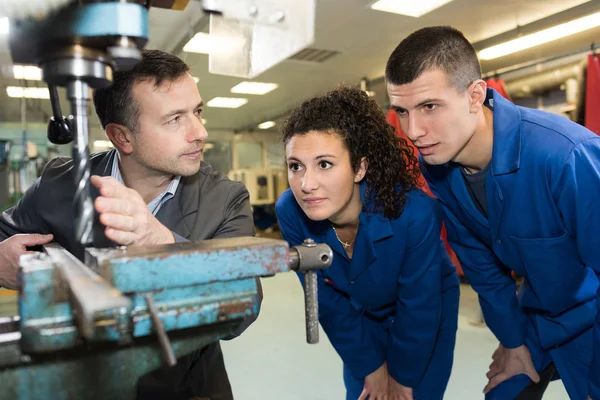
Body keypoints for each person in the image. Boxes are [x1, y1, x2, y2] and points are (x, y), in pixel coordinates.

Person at [0, 49, 257, 400]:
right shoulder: (60, 184)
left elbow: (245, 307)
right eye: (175, 119)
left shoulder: (226, 199)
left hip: (186, 388)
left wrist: (160, 239)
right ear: (122, 137)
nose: (199, 132)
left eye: (197, 112)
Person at [385, 26, 600, 400]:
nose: (414, 131)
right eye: (402, 111)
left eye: (429, 107)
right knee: (503, 392)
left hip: (592, 312)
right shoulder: (438, 166)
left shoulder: (565, 156)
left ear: (475, 96)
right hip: (537, 312)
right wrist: (512, 342)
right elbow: (481, 267)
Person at [275, 87, 460, 400]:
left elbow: (419, 306)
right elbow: (325, 298)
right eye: (296, 166)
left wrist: (402, 379)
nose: (306, 184)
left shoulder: (415, 214)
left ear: (359, 168)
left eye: (324, 164)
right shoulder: (291, 211)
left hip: (424, 314)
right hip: (359, 315)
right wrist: (371, 367)